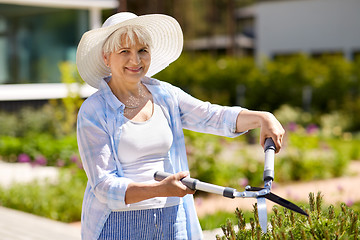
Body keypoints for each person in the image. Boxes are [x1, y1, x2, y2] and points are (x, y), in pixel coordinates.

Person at [76, 12, 284, 240]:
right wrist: (159, 190)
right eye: (124, 51)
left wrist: (262, 118)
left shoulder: (165, 95)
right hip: (118, 225)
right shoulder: (94, 111)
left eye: (142, 51)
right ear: (107, 58)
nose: (135, 60)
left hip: (173, 218)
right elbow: (104, 186)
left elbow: (212, 116)